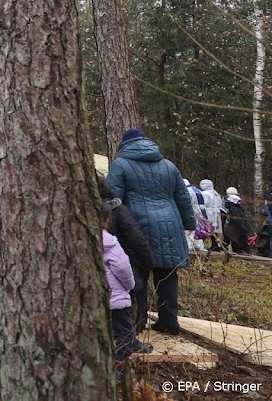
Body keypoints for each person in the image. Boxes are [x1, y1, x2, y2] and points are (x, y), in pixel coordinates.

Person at [107, 128, 194, 335]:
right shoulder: (169, 166)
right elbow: (183, 198)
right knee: (168, 276)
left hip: (137, 228)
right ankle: (169, 322)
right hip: (171, 227)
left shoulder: (121, 165)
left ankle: (138, 322)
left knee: (138, 276)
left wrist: (107, 227)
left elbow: (111, 197)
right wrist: (189, 224)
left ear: (124, 145)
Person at [98, 177, 155, 354]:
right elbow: (136, 238)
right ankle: (130, 341)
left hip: (105, 273)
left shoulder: (90, 212)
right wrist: (149, 262)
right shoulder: (117, 210)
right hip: (122, 266)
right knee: (132, 296)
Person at [102, 206, 136, 368]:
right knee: (125, 333)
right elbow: (122, 267)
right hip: (116, 300)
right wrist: (130, 285)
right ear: (106, 221)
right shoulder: (111, 243)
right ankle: (120, 365)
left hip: (97, 302)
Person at [183, 179, 208, 255]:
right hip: (199, 211)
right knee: (197, 229)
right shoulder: (197, 190)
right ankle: (199, 245)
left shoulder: (186, 190)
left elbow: (186, 202)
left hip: (191, 210)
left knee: (187, 229)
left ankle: (189, 246)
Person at [199, 180, 225, 251]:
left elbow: (202, 204)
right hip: (216, 213)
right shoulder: (216, 194)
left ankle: (210, 245)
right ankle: (215, 244)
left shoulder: (204, 194)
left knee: (207, 229)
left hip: (208, 212)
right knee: (214, 229)